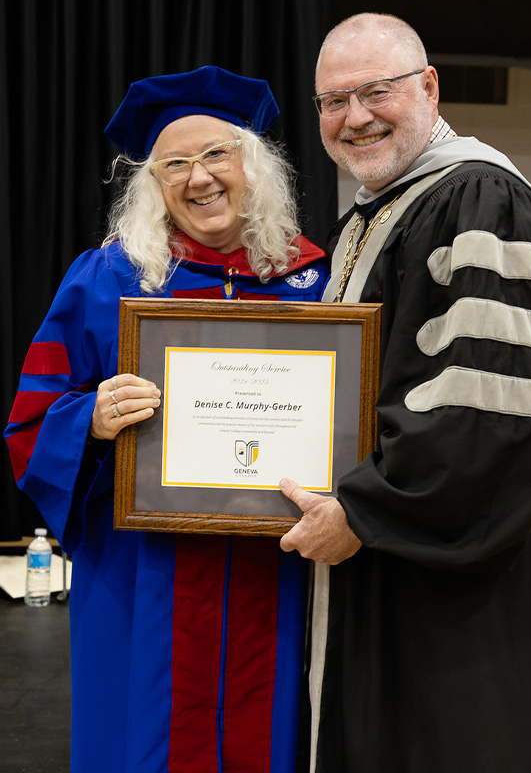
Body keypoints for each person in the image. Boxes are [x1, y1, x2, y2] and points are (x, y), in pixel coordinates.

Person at [277, 13, 531, 772]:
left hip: (456, 589)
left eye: (375, 92)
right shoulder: (376, 213)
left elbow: (497, 417)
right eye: (333, 101)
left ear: (428, 87)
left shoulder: (484, 199)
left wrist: (364, 508)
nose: (354, 117)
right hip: (389, 563)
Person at [4, 65, 329, 773]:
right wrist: (91, 417)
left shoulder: (318, 284)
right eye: (173, 163)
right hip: (141, 575)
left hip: (274, 573)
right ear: (151, 184)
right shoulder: (111, 278)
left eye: (217, 154)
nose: (198, 177)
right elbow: (32, 421)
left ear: (257, 167)